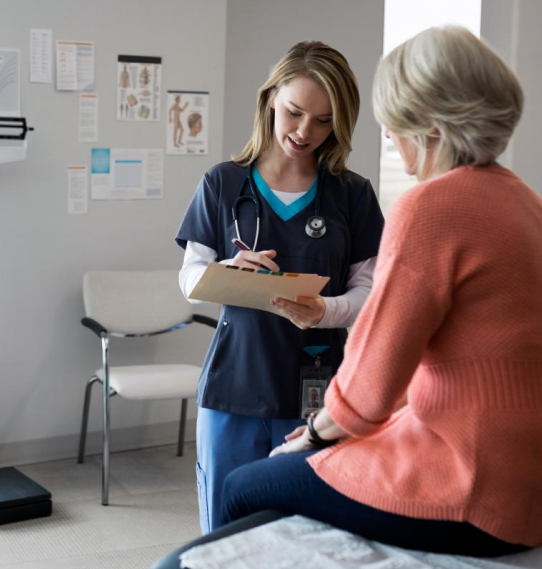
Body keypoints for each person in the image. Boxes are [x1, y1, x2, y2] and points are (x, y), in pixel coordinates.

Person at [218, 26, 542, 556]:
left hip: (491, 493)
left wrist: (311, 437)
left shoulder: (430, 207)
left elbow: (370, 385)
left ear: (431, 127)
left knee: (244, 484)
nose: (391, 140)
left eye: (393, 125)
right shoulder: (533, 209)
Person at [175, 40, 385, 534]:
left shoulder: (351, 195)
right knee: (226, 530)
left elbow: (371, 294)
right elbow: (190, 280)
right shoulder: (223, 183)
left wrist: (325, 311)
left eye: (323, 121)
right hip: (235, 387)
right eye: (294, 112)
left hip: (320, 392)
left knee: (308, 532)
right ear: (270, 98)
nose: (304, 131)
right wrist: (227, 269)